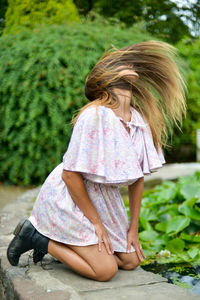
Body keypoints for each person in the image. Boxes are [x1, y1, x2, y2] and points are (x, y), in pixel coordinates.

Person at [7, 40, 187, 282]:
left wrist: (132, 230)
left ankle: (71, 243)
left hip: (106, 201)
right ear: (108, 76)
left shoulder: (138, 120)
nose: (131, 64)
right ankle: (38, 237)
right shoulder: (94, 115)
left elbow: (137, 179)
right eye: (124, 63)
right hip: (71, 197)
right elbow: (70, 175)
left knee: (131, 260)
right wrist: (96, 224)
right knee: (105, 271)